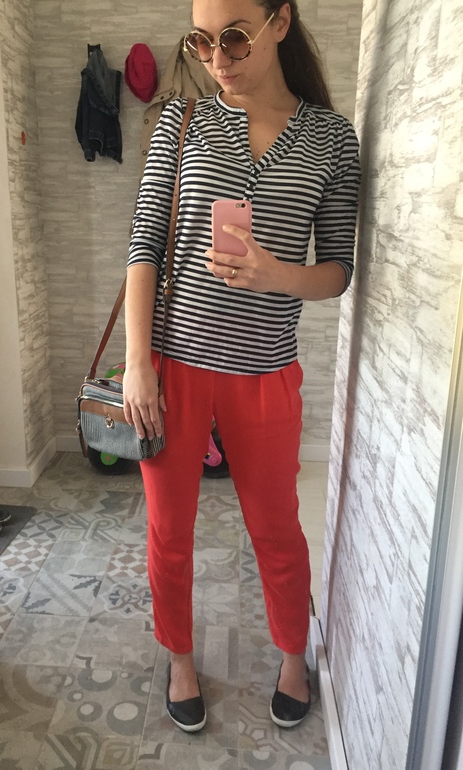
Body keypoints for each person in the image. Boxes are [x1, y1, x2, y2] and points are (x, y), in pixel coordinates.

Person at [123, 0, 361, 733]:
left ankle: (293, 655)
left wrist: (274, 274)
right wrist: (137, 363)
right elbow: (144, 244)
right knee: (169, 530)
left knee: (277, 527)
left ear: (280, 23)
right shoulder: (182, 122)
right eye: (201, 43)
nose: (216, 60)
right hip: (175, 367)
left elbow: (338, 270)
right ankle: (180, 658)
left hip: (265, 371)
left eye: (233, 38)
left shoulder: (331, 140)